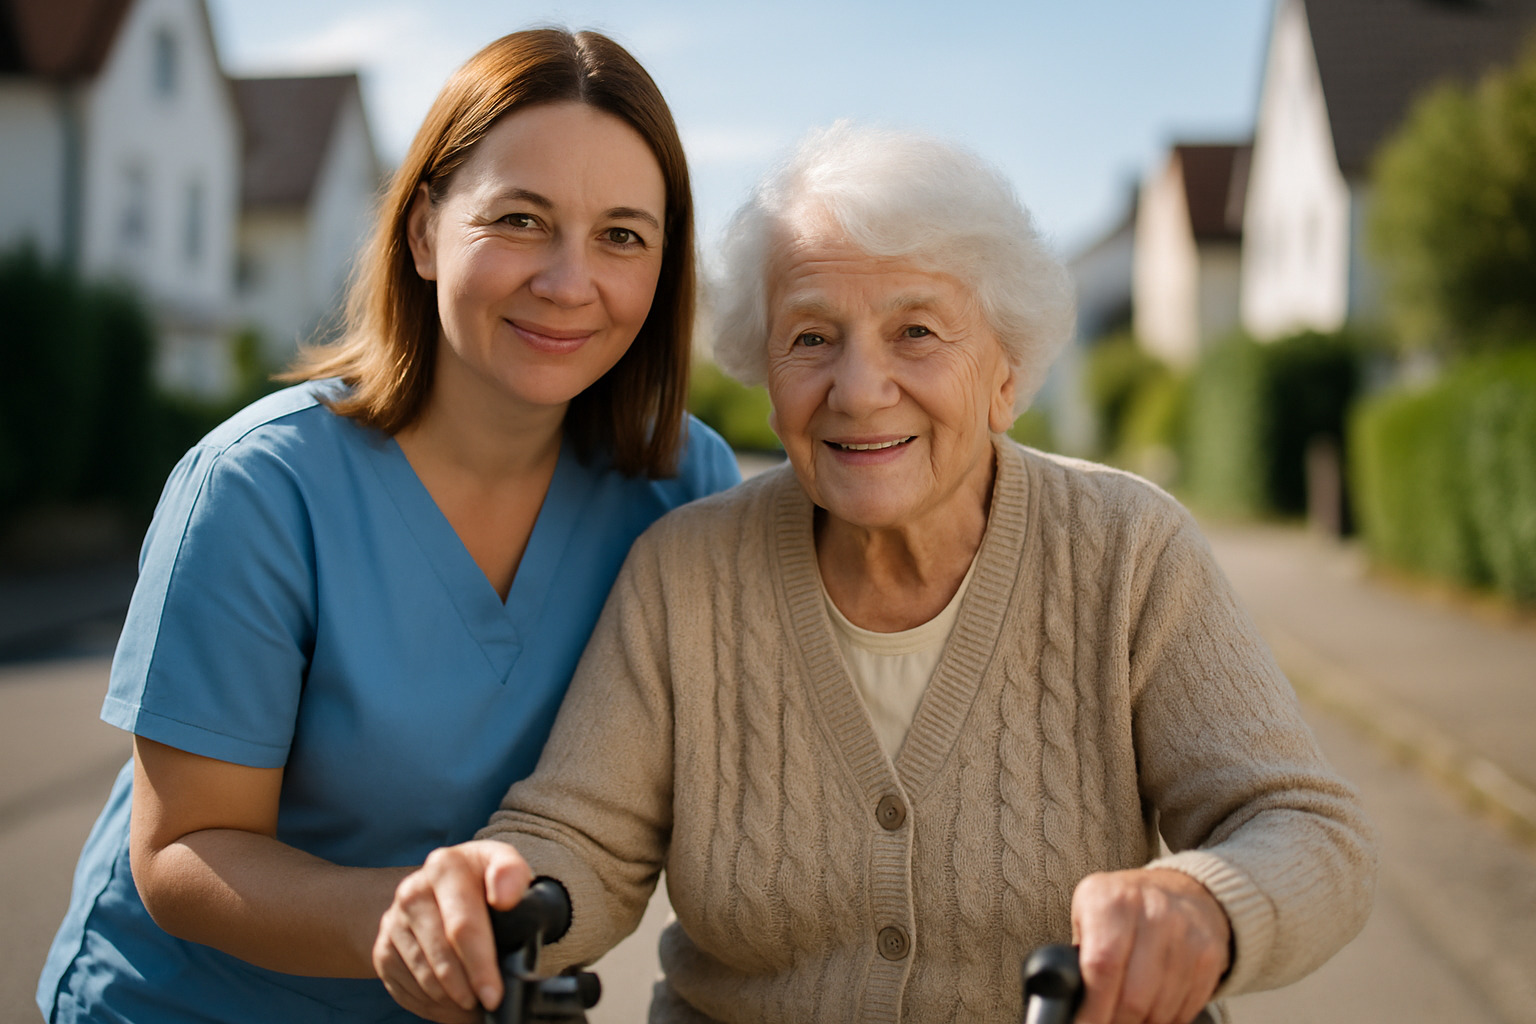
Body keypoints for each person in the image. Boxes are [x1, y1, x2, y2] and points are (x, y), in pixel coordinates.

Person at [373, 123, 1377, 1024]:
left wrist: (1203, 903)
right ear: (767, 374)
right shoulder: (685, 572)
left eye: (917, 332)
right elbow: (580, 836)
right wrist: (498, 895)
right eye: (812, 338)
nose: (858, 390)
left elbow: (1300, 827)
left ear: (1006, 373)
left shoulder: (1127, 549)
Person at [38, 28, 739, 1024]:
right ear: (423, 233)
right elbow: (182, 853)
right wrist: (415, 920)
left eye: (623, 235)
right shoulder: (259, 487)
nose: (568, 281)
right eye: (521, 219)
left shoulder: (685, 484)